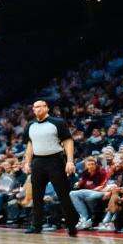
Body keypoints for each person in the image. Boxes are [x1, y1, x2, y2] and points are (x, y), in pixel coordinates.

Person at [23, 99, 79, 235]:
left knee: (63, 194)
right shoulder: (30, 125)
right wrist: (26, 162)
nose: (38, 109)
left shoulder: (57, 122)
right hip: (38, 162)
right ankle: (36, 226)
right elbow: (30, 145)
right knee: (36, 196)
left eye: (41, 106)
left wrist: (70, 161)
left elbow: (68, 141)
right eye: (35, 107)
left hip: (55, 160)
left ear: (47, 108)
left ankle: (72, 225)